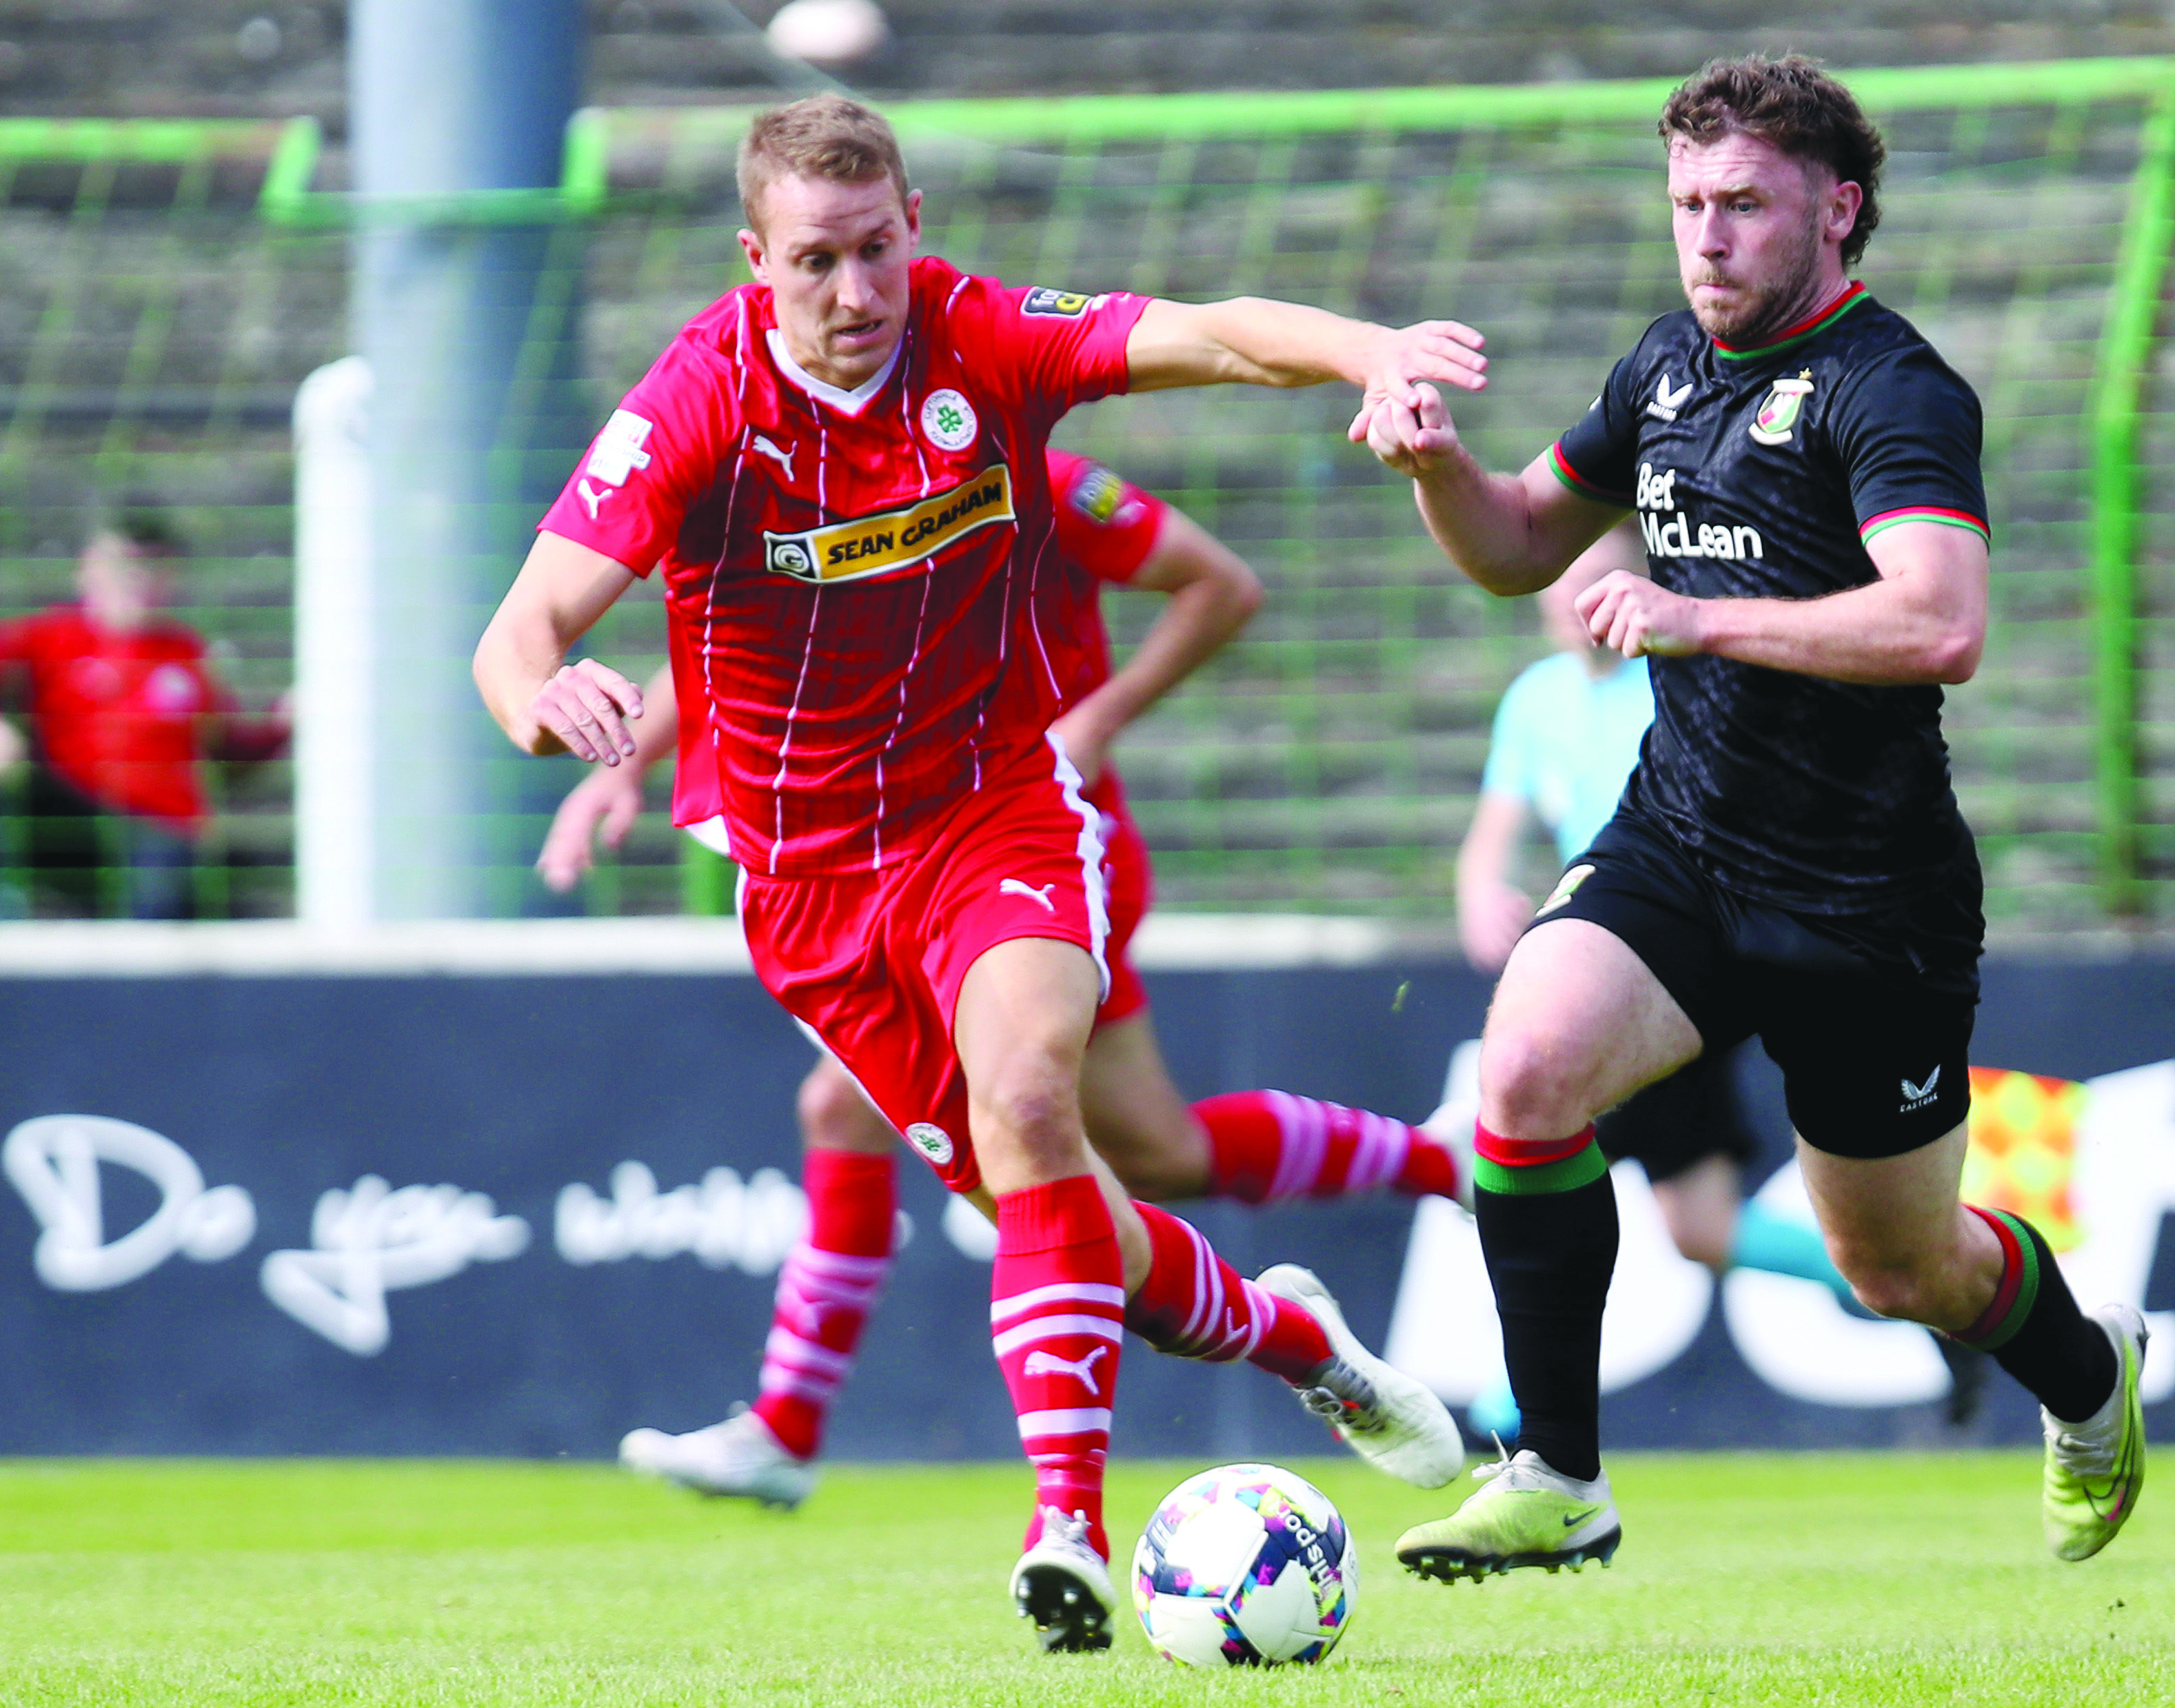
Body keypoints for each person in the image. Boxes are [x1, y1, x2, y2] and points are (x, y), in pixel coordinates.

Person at [474, 95, 1481, 1652]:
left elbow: (1212, 333)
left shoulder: (983, 336)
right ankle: (1303, 1338)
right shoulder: (697, 397)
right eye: (816, 260)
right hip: (805, 884)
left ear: (914, 222)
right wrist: (542, 696)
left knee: (1034, 1104)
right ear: (758, 260)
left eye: (878, 247)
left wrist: (1369, 350)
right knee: (1067, 1191)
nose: (857, 290)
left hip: (997, 809)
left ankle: (1064, 1521)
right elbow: (515, 631)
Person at [1357, 54, 2146, 1580]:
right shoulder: (1661, 366)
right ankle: (1558, 1474)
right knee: (1522, 1070)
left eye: (1740, 205)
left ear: (1835, 209)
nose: (1704, 237)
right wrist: (1434, 465)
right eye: (1683, 206)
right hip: (1685, 843)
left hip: (1866, 896)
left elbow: (1938, 623)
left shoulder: (1891, 386)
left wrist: (1700, 620)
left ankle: (2082, 1370)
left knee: (1899, 1261)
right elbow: (1518, 544)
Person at [540, 447, 1469, 1507]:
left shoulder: (1045, 475)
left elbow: (1220, 582)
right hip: (919, 861)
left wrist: (1094, 723)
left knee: (902, 1124)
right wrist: (632, 760)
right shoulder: (826, 487)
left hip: (1035, 845)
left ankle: (801, 1430)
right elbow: (731, 646)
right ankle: (1429, 1169)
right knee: (1152, 1150)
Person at [1453, 522, 1987, 1443]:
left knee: (1526, 1153)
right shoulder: (1535, 699)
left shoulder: (1673, 688)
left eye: (1599, 579)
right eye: (1562, 579)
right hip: (1602, 969)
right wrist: (1480, 892)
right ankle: (1938, 1294)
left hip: (1668, 972)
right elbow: (1491, 832)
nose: (1575, 600)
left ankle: (1511, 1417)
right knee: (1699, 1227)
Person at [0, 511, 286, 919]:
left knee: (165, 889)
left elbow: (230, 754)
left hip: (160, 828)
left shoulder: (187, 652)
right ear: (89, 569)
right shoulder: (50, 635)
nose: (136, 578)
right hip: (75, 817)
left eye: (151, 566)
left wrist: (282, 724)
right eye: (123, 564)